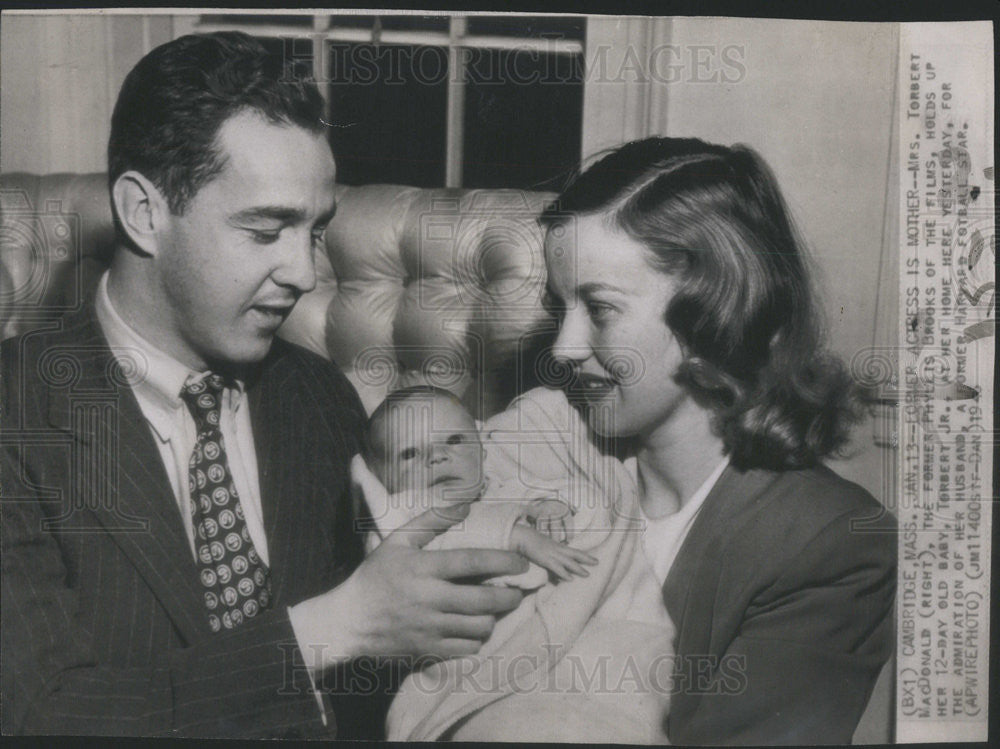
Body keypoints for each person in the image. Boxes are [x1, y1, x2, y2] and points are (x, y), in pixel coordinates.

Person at [0, 31, 529, 738]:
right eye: (266, 229)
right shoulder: (16, 411)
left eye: (314, 231)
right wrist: (327, 628)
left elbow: (362, 691)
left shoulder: (317, 394)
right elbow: (40, 714)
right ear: (143, 212)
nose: (306, 274)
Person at [483, 136, 896, 744]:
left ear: (714, 313)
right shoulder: (542, 436)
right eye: (558, 307)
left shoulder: (829, 544)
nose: (563, 350)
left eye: (599, 309)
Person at [354, 385, 678, 743]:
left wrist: (553, 506)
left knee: (600, 709)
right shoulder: (401, 519)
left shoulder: (504, 487)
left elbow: (557, 494)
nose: (437, 457)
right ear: (383, 478)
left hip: (566, 653)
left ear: (481, 447)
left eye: (455, 440)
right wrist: (515, 535)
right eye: (409, 453)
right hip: (474, 670)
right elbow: (440, 543)